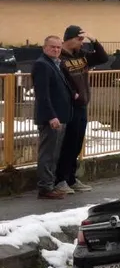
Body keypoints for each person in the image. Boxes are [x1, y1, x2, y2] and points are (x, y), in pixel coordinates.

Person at [56, 26, 108, 194]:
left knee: (77, 143)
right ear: (69, 39)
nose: (81, 43)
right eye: (79, 40)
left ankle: (71, 178)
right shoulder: (60, 58)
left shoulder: (82, 55)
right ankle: (60, 180)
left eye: (83, 40)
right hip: (68, 105)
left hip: (82, 104)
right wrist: (73, 95)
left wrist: (94, 41)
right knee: (67, 144)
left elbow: (102, 58)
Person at [32, 35, 74, 200]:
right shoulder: (42, 65)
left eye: (58, 47)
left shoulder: (54, 64)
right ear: (44, 48)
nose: (56, 50)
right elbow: (43, 95)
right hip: (52, 119)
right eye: (52, 47)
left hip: (60, 117)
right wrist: (51, 116)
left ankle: (49, 184)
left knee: (54, 153)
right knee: (48, 154)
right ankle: (45, 187)